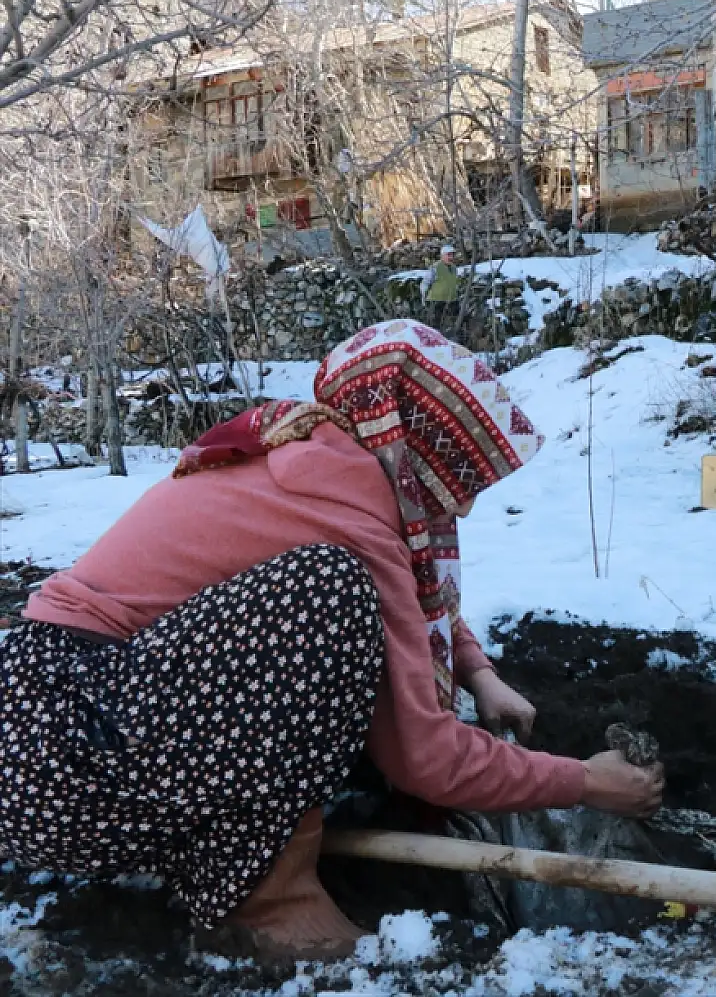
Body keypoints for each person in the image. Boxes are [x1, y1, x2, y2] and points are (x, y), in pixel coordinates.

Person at [0, 320, 664, 959]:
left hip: (37, 728)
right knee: (330, 592)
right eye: (461, 477)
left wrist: (476, 671)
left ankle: (223, 849)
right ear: (424, 449)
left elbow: (411, 588)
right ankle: (263, 897)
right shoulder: (353, 520)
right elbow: (425, 757)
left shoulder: (307, 448)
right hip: (68, 759)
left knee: (343, 636)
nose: (462, 503)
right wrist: (582, 781)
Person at [423, 245, 461, 328]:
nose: (451, 257)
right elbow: (425, 283)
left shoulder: (454, 268)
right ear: (442, 256)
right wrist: (423, 297)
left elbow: (454, 282)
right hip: (437, 301)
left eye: (452, 255)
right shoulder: (435, 267)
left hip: (452, 300)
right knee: (436, 325)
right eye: (449, 255)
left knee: (454, 322)